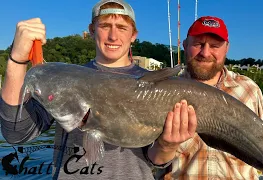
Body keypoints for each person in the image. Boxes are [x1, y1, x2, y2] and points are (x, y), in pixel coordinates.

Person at [0, 0, 197, 179]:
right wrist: (17, 60)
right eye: (104, 26)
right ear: (92, 30)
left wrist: (168, 145)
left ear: (134, 35)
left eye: (121, 27)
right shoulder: (66, 80)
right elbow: (17, 133)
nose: (113, 36)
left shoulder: (157, 86)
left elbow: (155, 160)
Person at [156, 16, 263, 180]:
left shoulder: (249, 90)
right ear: (185, 45)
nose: (205, 53)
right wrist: (165, 146)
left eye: (214, 46)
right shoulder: (161, 91)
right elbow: (151, 160)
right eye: (198, 44)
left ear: (227, 48)